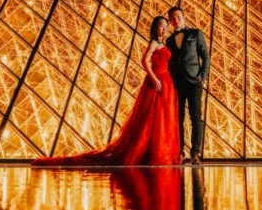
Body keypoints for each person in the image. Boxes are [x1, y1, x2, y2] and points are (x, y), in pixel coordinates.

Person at [32, 16, 180, 166]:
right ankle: (152, 152)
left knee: (163, 118)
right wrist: (154, 78)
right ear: (155, 28)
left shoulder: (165, 43)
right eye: (161, 26)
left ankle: (160, 150)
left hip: (166, 82)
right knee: (152, 118)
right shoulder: (154, 43)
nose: (164, 28)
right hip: (157, 81)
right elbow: (144, 60)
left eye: (165, 26)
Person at [166, 6, 210, 165]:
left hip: (194, 82)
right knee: (178, 119)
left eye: (178, 16)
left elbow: (205, 55)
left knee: (196, 118)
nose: (175, 20)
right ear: (170, 21)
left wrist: (203, 77)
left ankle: (195, 153)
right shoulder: (169, 40)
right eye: (172, 18)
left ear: (184, 17)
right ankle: (180, 152)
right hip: (177, 83)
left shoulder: (196, 33)